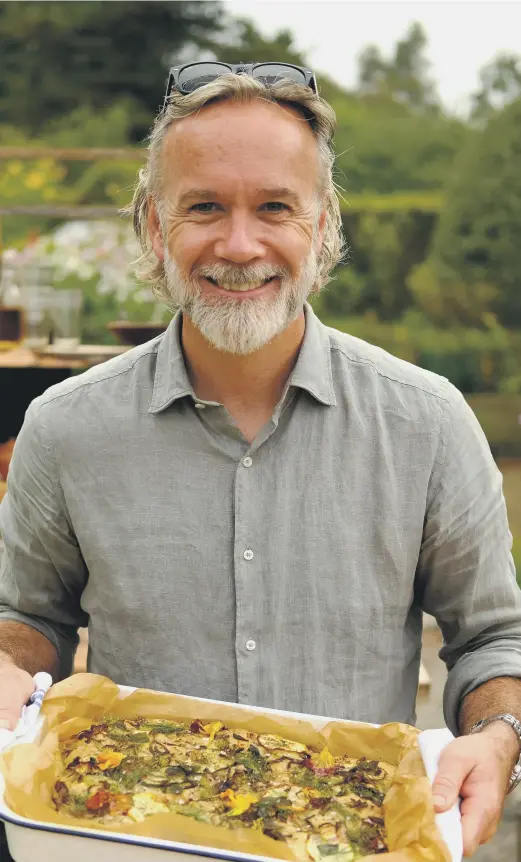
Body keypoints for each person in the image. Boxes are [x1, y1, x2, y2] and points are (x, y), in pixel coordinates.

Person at [1, 62, 521, 858]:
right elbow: (26, 618)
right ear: (152, 226)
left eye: (274, 207)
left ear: (322, 227)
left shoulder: (427, 423)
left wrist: (498, 735)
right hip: (115, 838)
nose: (238, 245)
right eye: (202, 206)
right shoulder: (65, 428)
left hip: (351, 839)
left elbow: (493, 638)